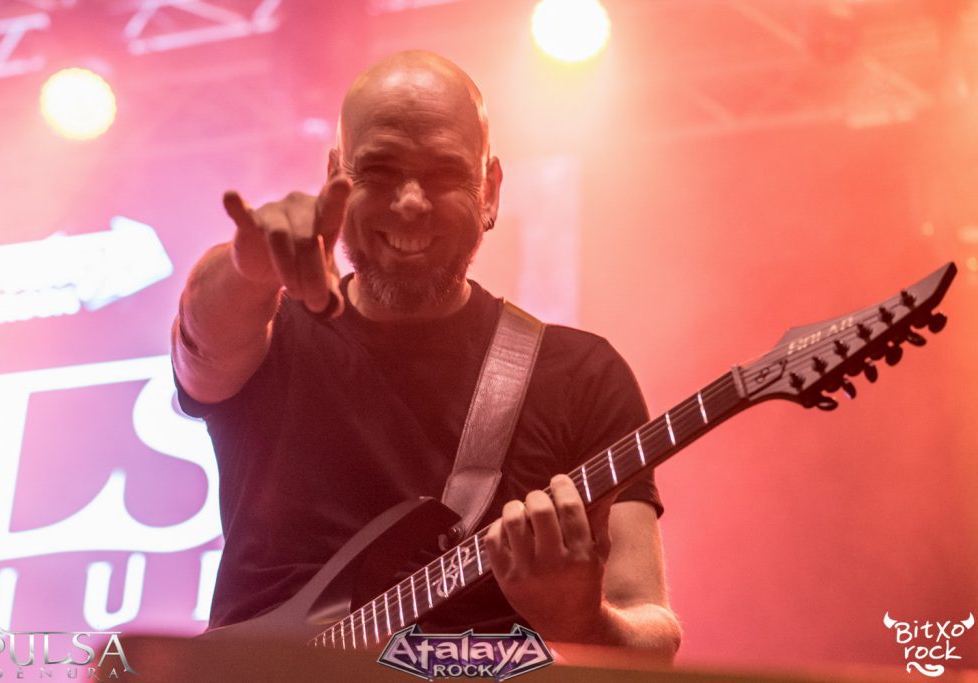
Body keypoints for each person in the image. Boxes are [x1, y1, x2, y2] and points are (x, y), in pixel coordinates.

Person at [171, 50, 681, 661]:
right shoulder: (270, 334)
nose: (411, 202)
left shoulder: (582, 376)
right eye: (380, 170)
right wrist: (248, 264)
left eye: (443, 173)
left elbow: (652, 633)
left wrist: (586, 621)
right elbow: (202, 335)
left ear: (490, 190)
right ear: (335, 176)